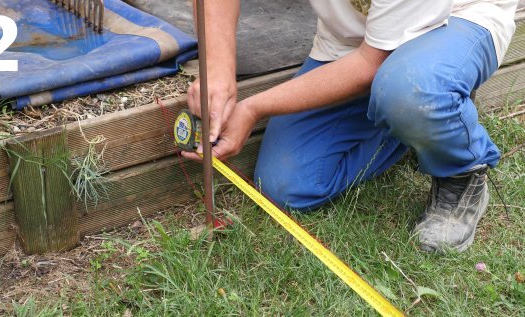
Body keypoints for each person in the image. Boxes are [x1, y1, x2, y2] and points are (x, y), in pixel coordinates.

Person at [183, 0, 518, 253]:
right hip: (359, 40)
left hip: (454, 19)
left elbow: (368, 64)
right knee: (287, 184)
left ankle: (460, 170)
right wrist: (219, 66)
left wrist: (254, 107)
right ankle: (417, 117)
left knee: (414, 88)